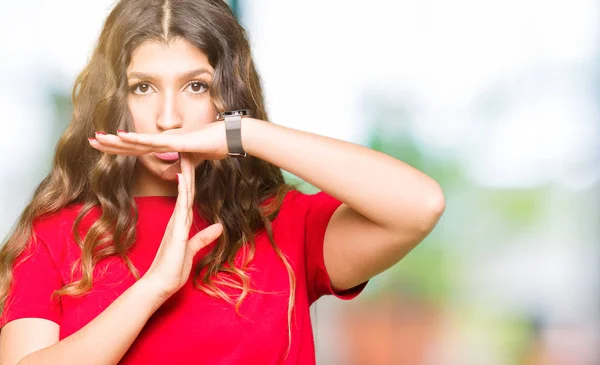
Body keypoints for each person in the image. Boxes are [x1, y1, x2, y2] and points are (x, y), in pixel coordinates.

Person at [0, 0, 445, 364]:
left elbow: (420, 205)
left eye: (196, 86)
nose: (168, 118)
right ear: (115, 98)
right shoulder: (55, 235)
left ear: (226, 97)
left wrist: (243, 133)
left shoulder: (283, 225)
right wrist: (153, 287)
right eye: (143, 87)